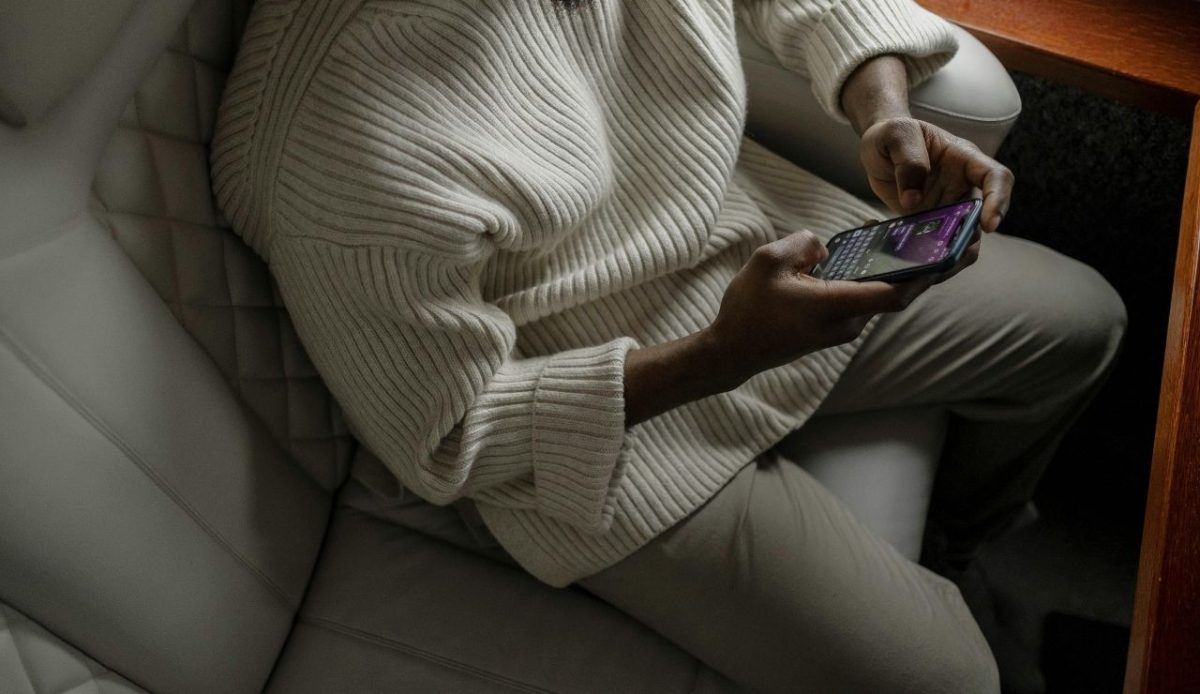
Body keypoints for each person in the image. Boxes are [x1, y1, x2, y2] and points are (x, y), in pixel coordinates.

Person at [212, 0, 1126, 690]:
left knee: (1084, 322)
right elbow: (453, 436)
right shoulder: (342, 144)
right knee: (957, 681)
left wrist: (880, 105)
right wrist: (725, 352)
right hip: (594, 432)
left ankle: (957, 551)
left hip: (744, 239)